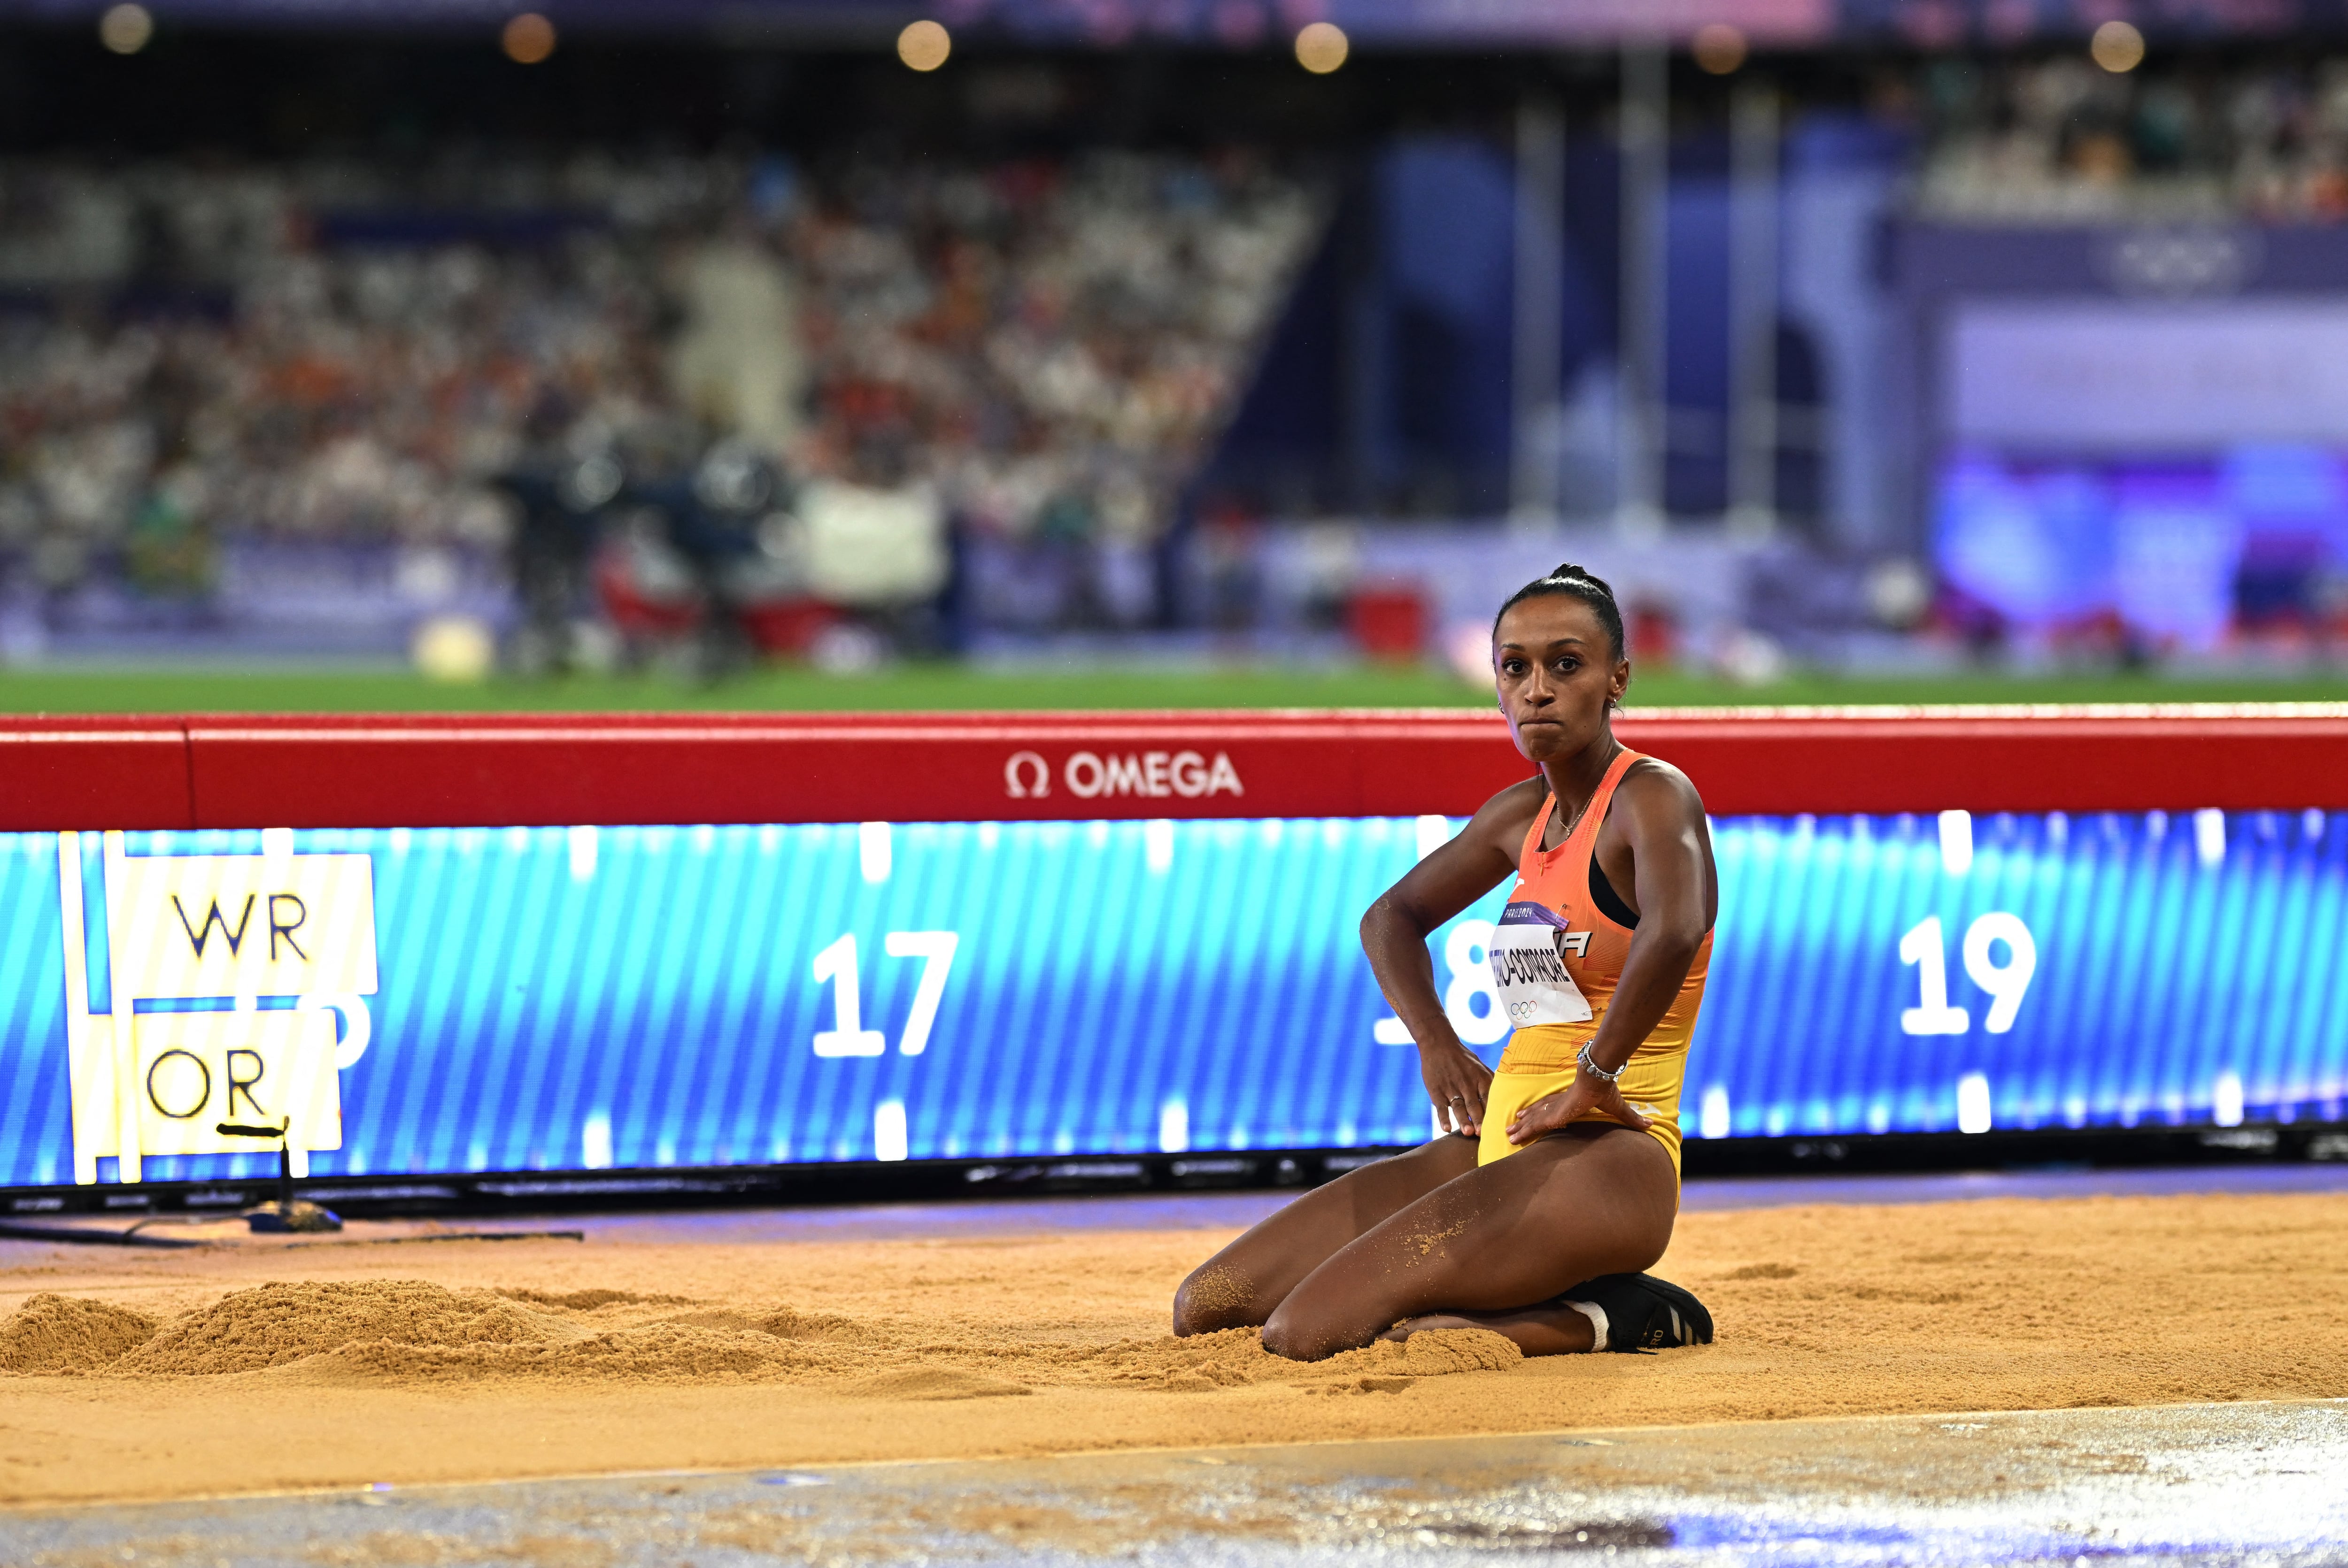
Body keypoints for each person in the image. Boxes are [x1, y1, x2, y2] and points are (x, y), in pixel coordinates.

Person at [1173, 563, 1718, 1359]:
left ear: (1616, 681)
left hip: (1612, 1157)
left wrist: (1593, 1079)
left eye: (1566, 665)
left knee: (1307, 1334)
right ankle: (1559, 1289)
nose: (1537, 689)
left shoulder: (1653, 796)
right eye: (1515, 667)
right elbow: (1389, 918)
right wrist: (1438, 1044)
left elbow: (1678, 929)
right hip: (1500, 1140)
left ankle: (1612, 1317)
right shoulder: (1519, 816)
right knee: (1207, 1306)